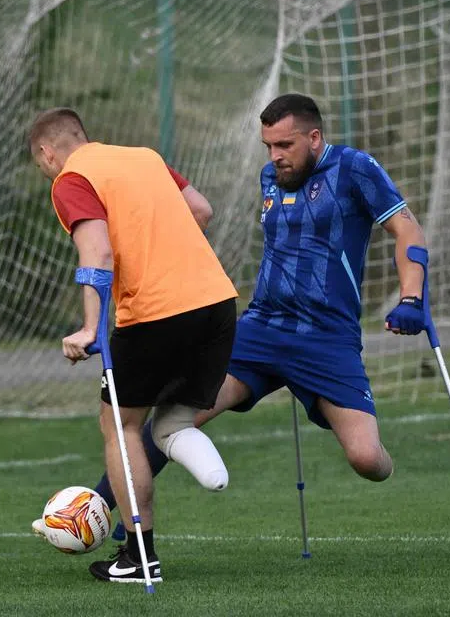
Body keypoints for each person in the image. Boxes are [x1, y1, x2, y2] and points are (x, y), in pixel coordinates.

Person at [89, 93, 429, 540]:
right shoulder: (270, 177)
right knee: (174, 419)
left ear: (314, 136)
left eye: (285, 145)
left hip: (326, 338)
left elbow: (407, 228)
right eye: (269, 146)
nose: (276, 156)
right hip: (260, 329)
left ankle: (384, 458)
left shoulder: (355, 168)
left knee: (366, 460)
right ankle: (102, 510)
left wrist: (411, 299)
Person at [27, 107, 238, 584]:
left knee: (120, 426)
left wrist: (89, 327)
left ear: (47, 152)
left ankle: (139, 557)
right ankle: (210, 471)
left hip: (155, 313)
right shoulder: (143, 156)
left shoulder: (70, 180)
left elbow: (97, 253)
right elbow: (201, 210)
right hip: (218, 303)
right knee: (171, 420)